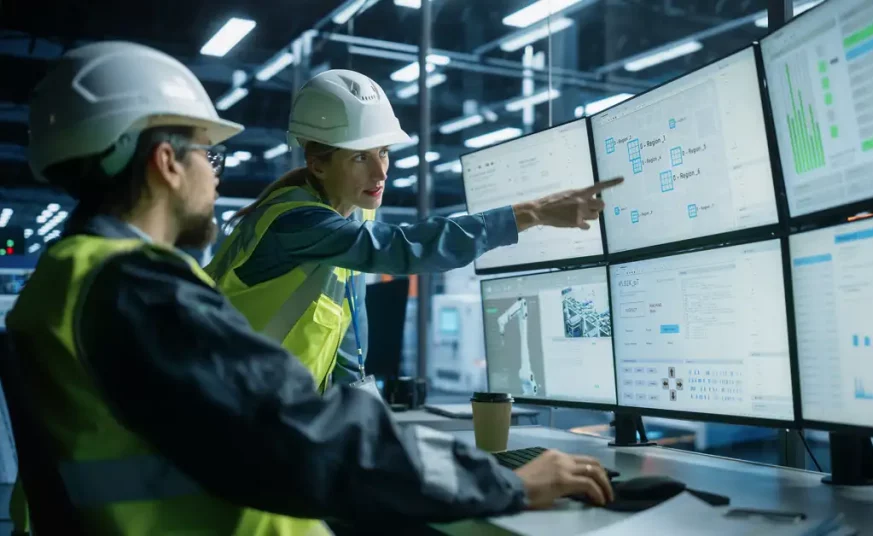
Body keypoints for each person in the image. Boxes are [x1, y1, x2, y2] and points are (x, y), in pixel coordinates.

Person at [6, 41, 613, 535]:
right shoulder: (135, 289)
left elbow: (321, 373)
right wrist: (503, 482)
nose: (216, 176)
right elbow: (289, 432)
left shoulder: (76, 277)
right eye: (208, 158)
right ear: (167, 163)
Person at [205, 68, 622, 391]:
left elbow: (346, 326)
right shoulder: (295, 222)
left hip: (280, 412)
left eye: (384, 152)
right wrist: (532, 213)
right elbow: (406, 247)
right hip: (235, 406)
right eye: (359, 158)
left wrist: (358, 405)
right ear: (318, 165)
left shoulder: (353, 213)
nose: (380, 170)